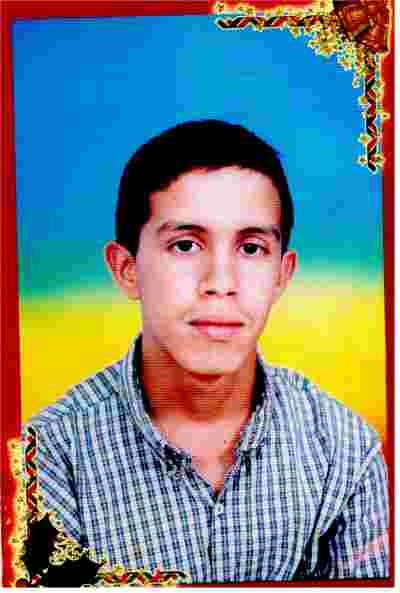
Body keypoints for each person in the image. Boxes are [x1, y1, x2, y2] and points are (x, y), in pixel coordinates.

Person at [25, 120, 389, 583]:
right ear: (126, 269)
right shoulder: (50, 458)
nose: (220, 282)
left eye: (251, 248)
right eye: (185, 245)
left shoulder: (344, 449)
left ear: (282, 274)